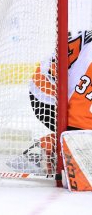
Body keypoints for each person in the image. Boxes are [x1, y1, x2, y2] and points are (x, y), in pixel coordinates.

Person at [27, 30, 92, 172]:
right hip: (47, 96)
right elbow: (77, 112)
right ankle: (45, 151)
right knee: (84, 138)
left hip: (70, 88)